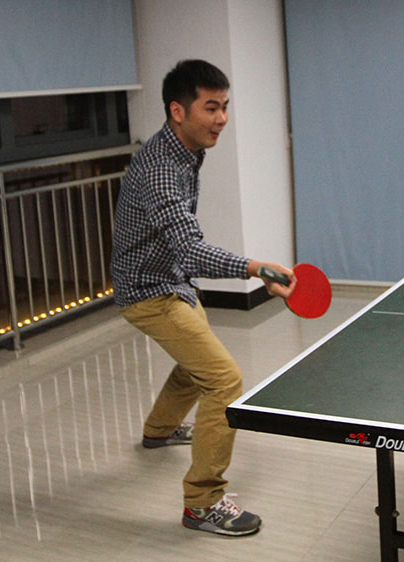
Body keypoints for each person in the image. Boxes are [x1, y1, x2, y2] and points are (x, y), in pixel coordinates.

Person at [111, 58, 295, 537]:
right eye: (211, 108)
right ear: (178, 111)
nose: (222, 119)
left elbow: (181, 247)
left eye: (225, 107)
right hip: (146, 290)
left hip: (169, 279)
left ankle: (159, 429)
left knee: (198, 361)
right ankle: (202, 503)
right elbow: (191, 249)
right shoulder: (161, 168)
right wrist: (255, 268)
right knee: (224, 380)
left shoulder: (186, 151)